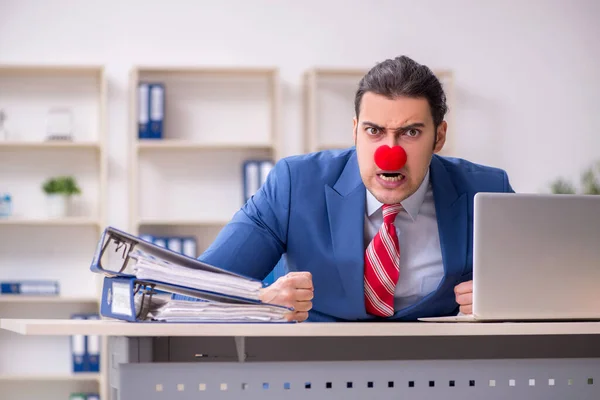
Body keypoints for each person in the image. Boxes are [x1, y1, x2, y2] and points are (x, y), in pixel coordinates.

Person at [198, 55, 514, 322]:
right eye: (374, 130)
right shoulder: (294, 185)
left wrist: (512, 300)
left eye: (411, 132)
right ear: (355, 131)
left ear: (439, 137)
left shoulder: (486, 190)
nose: (390, 152)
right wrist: (258, 302)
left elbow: (554, 291)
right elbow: (189, 295)